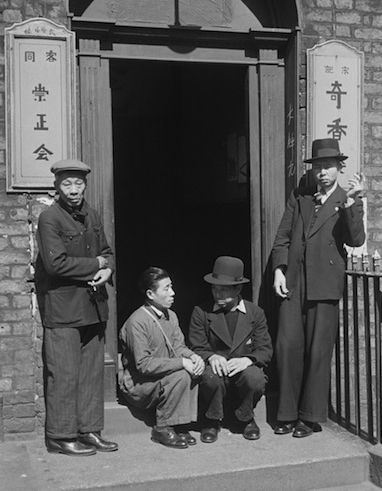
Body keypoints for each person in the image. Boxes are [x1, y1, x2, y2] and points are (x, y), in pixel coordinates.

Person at [272, 138, 365, 438]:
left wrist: (352, 203)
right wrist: (278, 271)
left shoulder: (347, 199)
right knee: (287, 347)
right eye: (318, 168)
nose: (322, 173)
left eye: (328, 167)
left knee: (318, 352)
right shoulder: (300, 198)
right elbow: (283, 237)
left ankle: (308, 417)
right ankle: (285, 414)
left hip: (324, 286)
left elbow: (355, 240)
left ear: (340, 167)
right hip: (294, 284)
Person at [35, 160, 118, 456]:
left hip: (94, 307)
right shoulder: (50, 218)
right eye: (67, 184)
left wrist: (107, 269)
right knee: (65, 374)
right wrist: (96, 264)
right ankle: (61, 435)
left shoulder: (92, 216)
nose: (73, 190)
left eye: (78, 184)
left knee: (92, 374)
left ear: (85, 185)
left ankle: (90, 431)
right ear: (57, 186)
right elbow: (55, 264)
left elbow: (107, 252)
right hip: (63, 309)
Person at [189, 256, 272, 443]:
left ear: (238, 289)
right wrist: (211, 357)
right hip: (216, 371)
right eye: (214, 289)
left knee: (255, 378)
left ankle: (245, 418)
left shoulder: (254, 313)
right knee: (210, 377)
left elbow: (265, 349)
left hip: (242, 370)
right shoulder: (201, 312)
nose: (217, 295)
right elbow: (195, 345)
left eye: (223, 290)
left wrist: (247, 360)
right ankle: (211, 420)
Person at [119, 267, 204, 449]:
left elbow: (179, 346)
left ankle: (179, 424)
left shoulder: (171, 316)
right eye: (166, 289)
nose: (173, 293)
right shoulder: (137, 322)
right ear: (150, 293)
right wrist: (182, 362)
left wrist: (193, 357)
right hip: (140, 384)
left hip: (162, 378)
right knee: (182, 374)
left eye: (171, 287)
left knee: (190, 371)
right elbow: (144, 365)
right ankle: (162, 427)